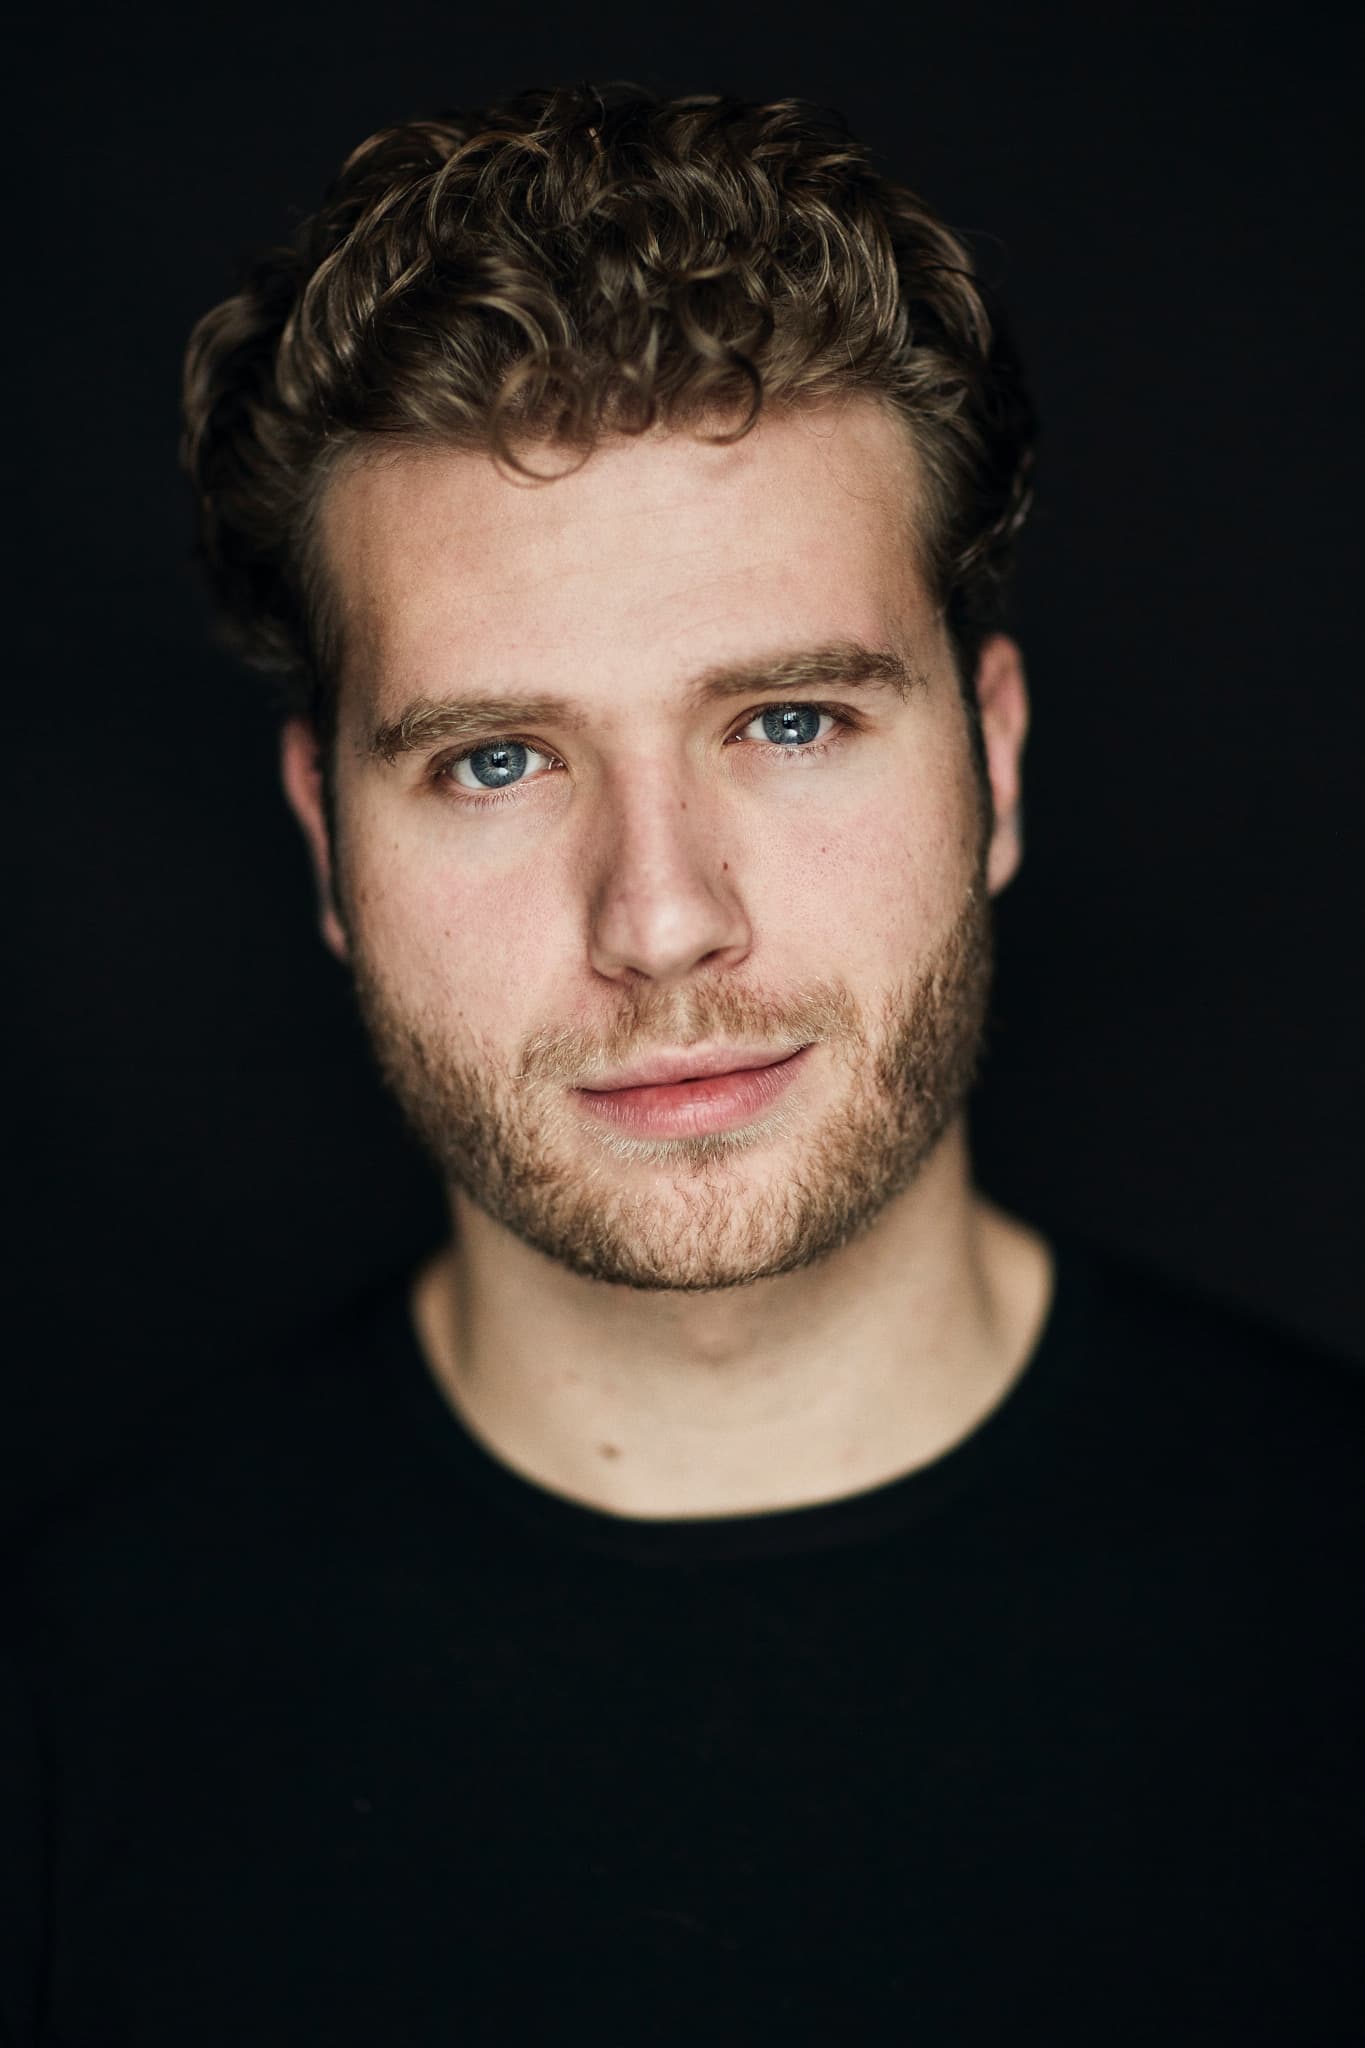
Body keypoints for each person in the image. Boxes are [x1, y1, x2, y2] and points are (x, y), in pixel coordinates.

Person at [3, 82, 1361, 2047]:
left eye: (789, 721)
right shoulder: (70, 1704)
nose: (657, 917)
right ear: (324, 840)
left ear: (990, 761)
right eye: (493, 760)